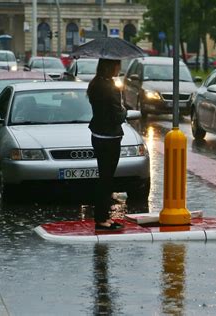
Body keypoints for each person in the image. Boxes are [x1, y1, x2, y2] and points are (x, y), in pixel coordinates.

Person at [87, 59, 127, 231]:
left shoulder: (95, 84)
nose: (120, 68)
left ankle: (103, 217)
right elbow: (118, 116)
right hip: (110, 138)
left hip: (97, 135)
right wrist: (124, 108)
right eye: (118, 65)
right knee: (106, 179)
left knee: (104, 177)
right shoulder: (112, 88)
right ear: (111, 66)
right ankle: (102, 219)